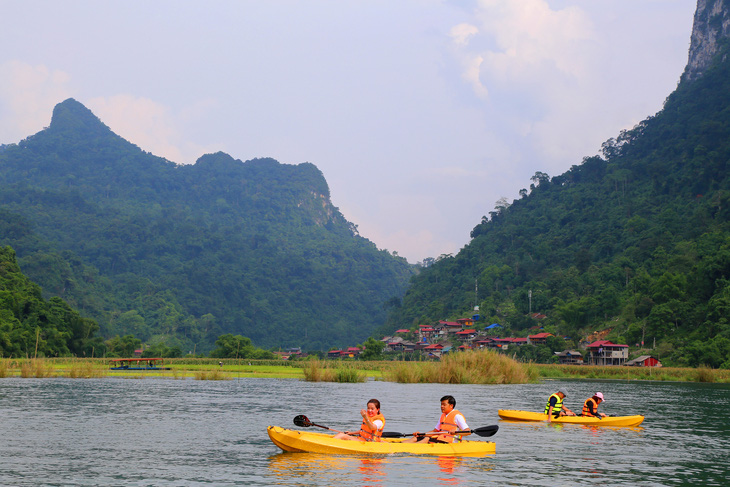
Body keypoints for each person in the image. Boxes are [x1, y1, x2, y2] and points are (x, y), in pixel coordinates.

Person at [405, 395, 470, 443]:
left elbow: (468, 431)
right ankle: (399, 445)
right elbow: (435, 431)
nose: (441, 406)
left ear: (451, 406)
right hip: (440, 439)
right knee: (416, 437)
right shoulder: (443, 416)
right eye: (441, 404)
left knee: (427, 438)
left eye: (444, 405)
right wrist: (421, 434)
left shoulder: (457, 416)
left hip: (450, 443)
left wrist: (456, 433)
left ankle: (412, 449)